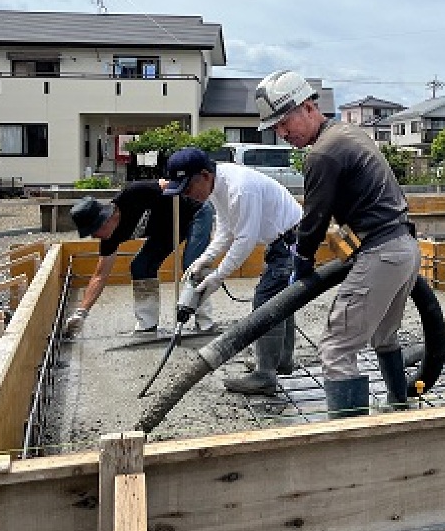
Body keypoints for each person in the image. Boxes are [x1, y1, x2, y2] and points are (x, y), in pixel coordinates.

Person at [255, 69, 420, 418]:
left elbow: (314, 219)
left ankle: (350, 440)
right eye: (276, 129)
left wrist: (301, 263)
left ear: (308, 107)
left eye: (285, 123)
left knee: (335, 348)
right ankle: (399, 410)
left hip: (382, 252)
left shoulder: (323, 154)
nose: (282, 133)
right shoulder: (347, 134)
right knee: (384, 337)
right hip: (404, 247)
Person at [163, 146, 302, 396]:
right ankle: (280, 360)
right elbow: (227, 229)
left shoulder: (240, 187)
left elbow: (245, 239)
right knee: (281, 300)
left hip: (291, 240)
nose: (188, 195)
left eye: (188, 188)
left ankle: (266, 375)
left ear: (204, 176)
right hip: (283, 240)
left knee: (267, 302)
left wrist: (218, 276)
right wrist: (204, 261)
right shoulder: (218, 187)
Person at [65, 182, 215, 336]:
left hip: (196, 214)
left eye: (93, 232)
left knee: (193, 265)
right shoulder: (109, 239)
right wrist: (81, 313)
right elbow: (100, 276)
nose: (93, 237)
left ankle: (204, 322)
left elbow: (171, 184)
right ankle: (147, 324)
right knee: (140, 266)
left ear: (104, 220)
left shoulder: (133, 194)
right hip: (167, 229)